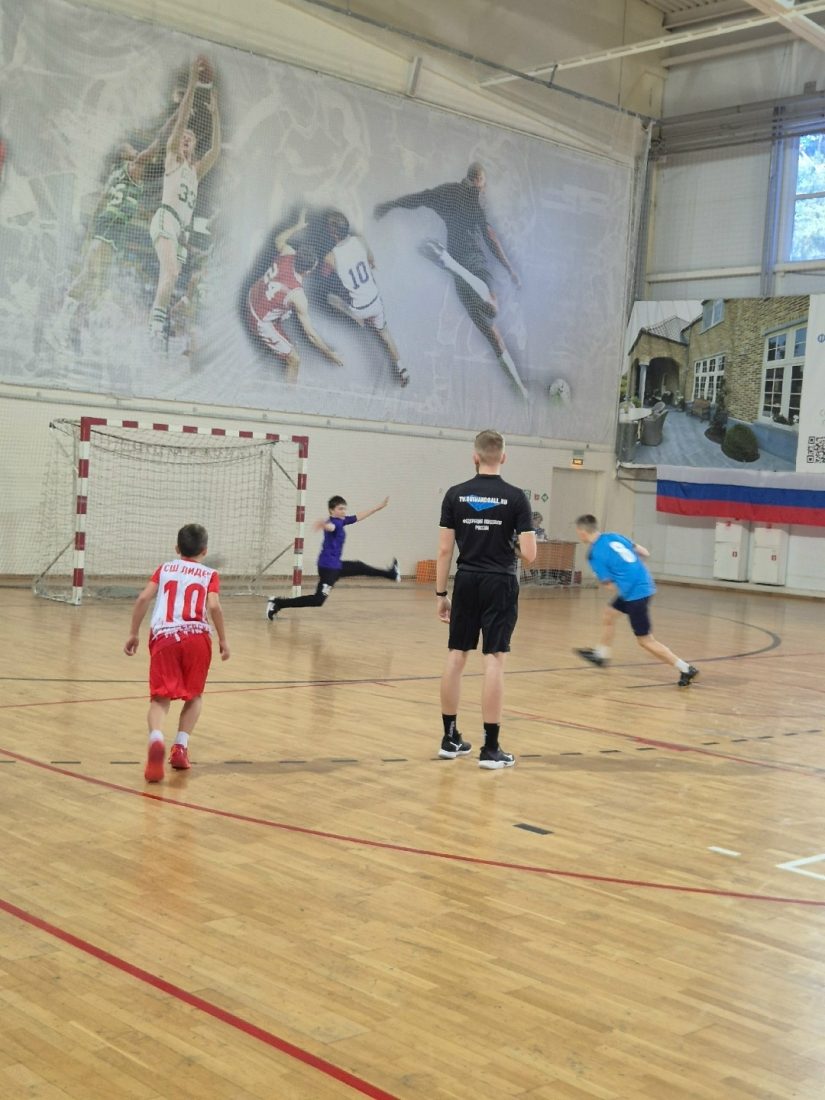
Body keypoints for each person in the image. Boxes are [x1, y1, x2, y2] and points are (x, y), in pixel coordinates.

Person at [374, 163, 526, 398]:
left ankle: (521, 391)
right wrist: (510, 268)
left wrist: (390, 205)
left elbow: (419, 199)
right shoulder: (476, 198)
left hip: (459, 270)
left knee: (493, 336)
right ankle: (448, 263)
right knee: (493, 308)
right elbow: (491, 237)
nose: (484, 189)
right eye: (484, 184)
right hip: (474, 265)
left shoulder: (446, 192)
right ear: (478, 180)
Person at [436, 429, 536, 769]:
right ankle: (490, 749)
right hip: (500, 583)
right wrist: (509, 543)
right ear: (503, 457)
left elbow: (444, 550)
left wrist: (440, 594)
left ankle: (450, 739)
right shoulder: (516, 498)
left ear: (475, 457)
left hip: (466, 581)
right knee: (494, 658)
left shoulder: (455, 494)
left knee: (456, 655)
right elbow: (530, 555)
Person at [124, 523, 229, 782]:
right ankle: (180, 746)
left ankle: (156, 738)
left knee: (160, 699)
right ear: (204, 551)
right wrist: (223, 639)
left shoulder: (165, 569)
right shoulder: (210, 574)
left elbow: (143, 599)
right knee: (194, 695)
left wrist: (134, 633)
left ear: (176, 548)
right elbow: (214, 606)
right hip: (197, 637)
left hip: (166, 637)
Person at [573, 514, 699, 687]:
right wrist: (631, 571)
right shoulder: (614, 536)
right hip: (644, 584)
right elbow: (644, 552)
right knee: (609, 614)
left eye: (577, 531)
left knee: (645, 640)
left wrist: (618, 580)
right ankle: (601, 655)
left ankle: (685, 668)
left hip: (634, 595)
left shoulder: (594, 554)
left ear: (582, 532)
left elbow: (609, 586)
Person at [149, 56, 221, 345]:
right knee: (171, 272)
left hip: (181, 230)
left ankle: (160, 323)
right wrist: (193, 82)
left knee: (171, 278)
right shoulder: (173, 157)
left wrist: (215, 114)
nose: (186, 138)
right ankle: (155, 328)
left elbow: (216, 150)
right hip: (166, 217)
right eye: (183, 137)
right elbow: (181, 121)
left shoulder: (195, 171)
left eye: (191, 138)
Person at [247, 208, 344, 382]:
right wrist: (330, 354)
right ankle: (286, 395)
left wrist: (297, 227)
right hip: (259, 319)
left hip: (254, 294)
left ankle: (277, 318)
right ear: (308, 271)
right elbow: (311, 334)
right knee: (295, 359)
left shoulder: (288, 252)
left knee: (286, 307)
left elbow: (279, 239)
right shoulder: (297, 296)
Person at [266, 495, 399, 618]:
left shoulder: (341, 520)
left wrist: (377, 508)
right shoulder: (334, 523)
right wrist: (324, 525)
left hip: (336, 566)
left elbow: (357, 517)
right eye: (340, 509)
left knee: (360, 567)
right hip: (329, 568)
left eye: (344, 508)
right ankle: (277, 603)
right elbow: (331, 527)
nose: (343, 511)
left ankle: (392, 574)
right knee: (318, 600)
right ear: (331, 510)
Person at [321, 210, 409, 387]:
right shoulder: (360, 240)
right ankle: (402, 368)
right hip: (375, 302)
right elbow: (371, 260)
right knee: (385, 333)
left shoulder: (330, 257)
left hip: (358, 309)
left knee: (330, 298)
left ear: (332, 232)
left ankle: (355, 317)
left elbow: (324, 275)